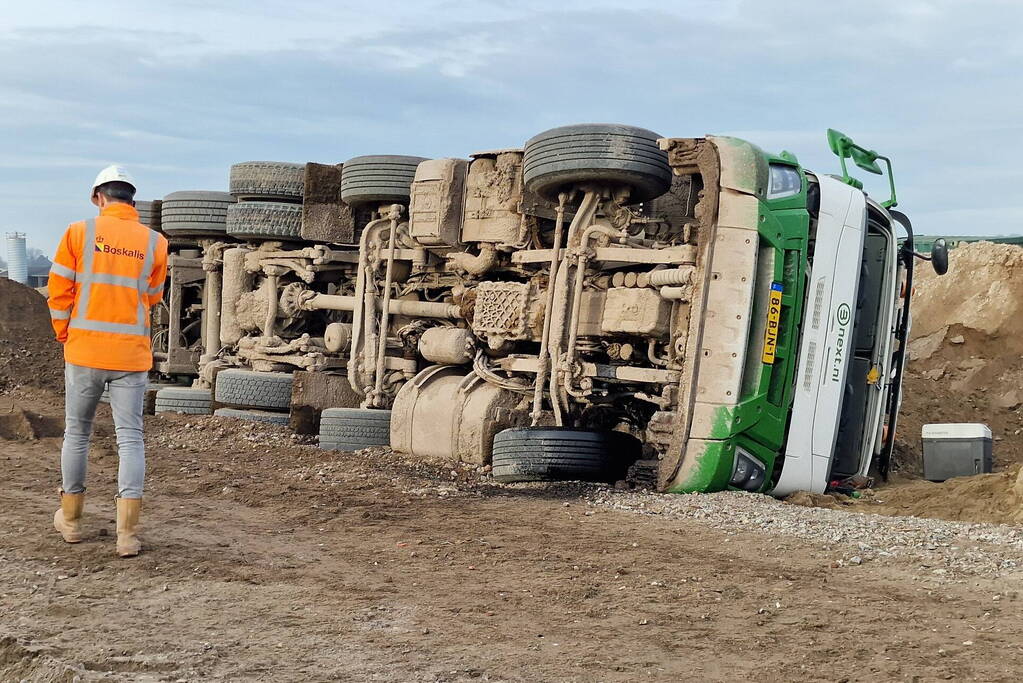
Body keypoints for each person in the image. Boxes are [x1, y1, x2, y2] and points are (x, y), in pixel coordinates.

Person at [47, 165, 168, 558]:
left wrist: (65, 333)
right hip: (131, 356)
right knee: (130, 439)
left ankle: (72, 521)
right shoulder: (154, 242)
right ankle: (127, 535)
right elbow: (151, 296)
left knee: (77, 433)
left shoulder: (78, 233)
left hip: (84, 352)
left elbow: (58, 291)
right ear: (132, 201)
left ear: (98, 197)